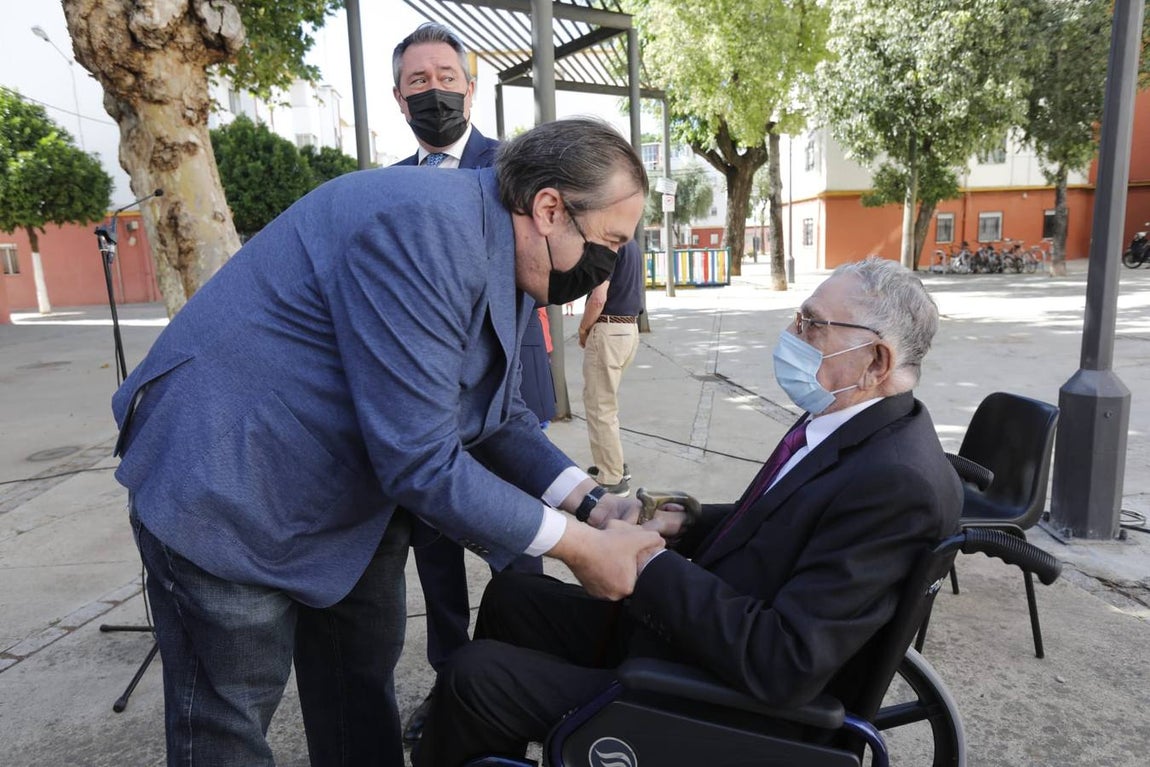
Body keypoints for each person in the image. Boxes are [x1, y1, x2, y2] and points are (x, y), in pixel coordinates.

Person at [110, 117, 664, 767]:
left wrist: (594, 504)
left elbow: (499, 415)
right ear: (549, 208)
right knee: (229, 719)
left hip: (342, 487)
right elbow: (423, 461)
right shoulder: (425, 231)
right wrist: (579, 547)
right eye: (610, 241)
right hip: (229, 477)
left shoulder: (508, 249)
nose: (612, 265)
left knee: (357, 685)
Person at [413, 256, 965, 766]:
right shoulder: (855, 424)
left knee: (473, 676)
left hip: (735, 705)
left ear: (876, 359)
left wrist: (647, 561)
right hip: (706, 641)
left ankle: (482, 726)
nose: (792, 335)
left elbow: (785, 662)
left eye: (812, 324)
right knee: (513, 596)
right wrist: (685, 522)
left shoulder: (895, 483)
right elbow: (780, 521)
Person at [389, 22, 555, 745]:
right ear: (398, 99)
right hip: (424, 408)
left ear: (471, 82)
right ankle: (454, 682)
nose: (435, 91)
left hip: (503, 405)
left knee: (519, 552)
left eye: (445, 76)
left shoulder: (513, 168)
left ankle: (530, 679)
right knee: (436, 562)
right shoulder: (389, 185)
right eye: (418, 82)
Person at [579, 238, 644, 496]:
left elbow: (598, 298)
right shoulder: (633, 244)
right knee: (606, 404)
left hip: (609, 328)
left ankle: (612, 477)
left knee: (599, 406)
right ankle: (613, 464)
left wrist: (584, 328)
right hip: (629, 329)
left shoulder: (610, 245)